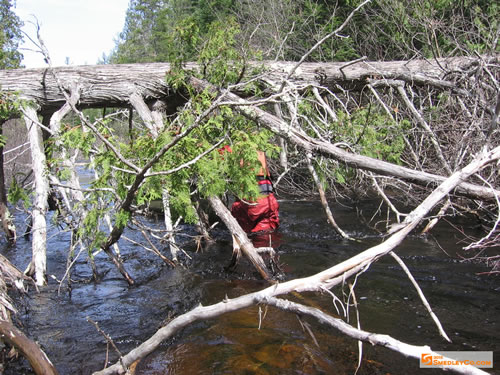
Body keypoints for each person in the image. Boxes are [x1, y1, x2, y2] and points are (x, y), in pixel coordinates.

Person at [230, 150, 280, 234]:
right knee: (267, 234)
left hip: (252, 203)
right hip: (270, 201)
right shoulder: (259, 146)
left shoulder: (233, 147)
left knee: (246, 233)